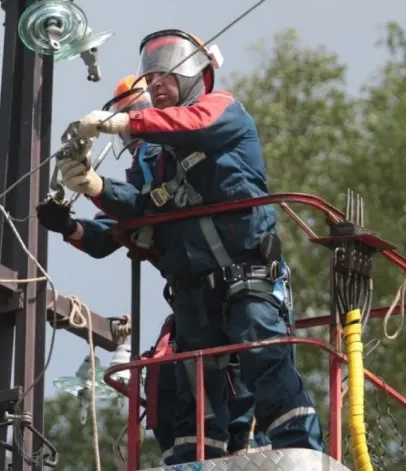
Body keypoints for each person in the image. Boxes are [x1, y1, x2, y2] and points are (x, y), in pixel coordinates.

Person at [55, 30, 323, 464]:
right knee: (198, 385)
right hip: (196, 289)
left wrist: (122, 121)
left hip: (247, 273)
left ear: (199, 72)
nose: (157, 81)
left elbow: (193, 123)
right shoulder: (159, 158)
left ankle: (300, 454)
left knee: (264, 355)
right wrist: (95, 186)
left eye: (167, 72)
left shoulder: (223, 112)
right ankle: (203, 461)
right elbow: (143, 208)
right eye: (151, 74)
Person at [37, 73, 270, 459]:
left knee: (241, 378)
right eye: (125, 118)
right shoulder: (145, 170)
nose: (132, 132)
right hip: (194, 294)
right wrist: (71, 226)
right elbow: (119, 230)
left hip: (237, 283)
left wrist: (99, 187)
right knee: (184, 380)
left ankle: (248, 450)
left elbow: (145, 205)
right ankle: (197, 457)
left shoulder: (181, 149)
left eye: (136, 113)